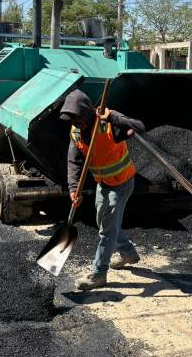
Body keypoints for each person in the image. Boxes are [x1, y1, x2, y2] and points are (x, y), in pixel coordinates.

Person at [60, 89, 146, 291]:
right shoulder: (75, 132)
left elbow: (139, 127)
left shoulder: (107, 124)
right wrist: (74, 188)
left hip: (122, 184)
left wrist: (114, 116)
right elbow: (74, 161)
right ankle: (128, 253)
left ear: (86, 113)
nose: (75, 124)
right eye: (72, 121)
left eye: (78, 120)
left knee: (106, 230)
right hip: (103, 183)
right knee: (104, 223)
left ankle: (98, 274)